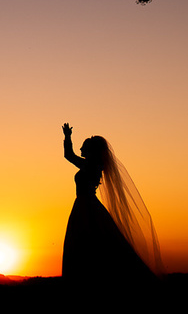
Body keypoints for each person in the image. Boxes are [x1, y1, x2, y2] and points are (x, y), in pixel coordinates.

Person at [62, 122, 163, 285]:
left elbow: (69, 156)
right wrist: (67, 137)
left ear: (90, 151)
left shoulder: (91, 166)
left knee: (87, 243)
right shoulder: (91, 165)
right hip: (84, 205)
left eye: (83, 147)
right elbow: (70, 155)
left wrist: (67, 137)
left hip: (86, 207)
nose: (80, 150)